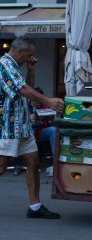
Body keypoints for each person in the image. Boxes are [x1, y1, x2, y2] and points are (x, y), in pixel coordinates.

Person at [0, 37, 65, 219]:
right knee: (2, 167)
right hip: (8, 126)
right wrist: (49, 102)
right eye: (29, 55)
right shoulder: (5, 64)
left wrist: (32, 70)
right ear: (20, 52)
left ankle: (35, 206)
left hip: (22, 125)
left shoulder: (16, 67)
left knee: (34, 161)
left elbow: (26, 88)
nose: (31, 58)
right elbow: (22, 89)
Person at [30, 87, 56, 176]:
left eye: (38, 99)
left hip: (40, 131)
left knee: (53, 130)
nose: (36, 101)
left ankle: (56, 162)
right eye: (34, 99)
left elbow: (51, 122)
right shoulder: (25, 105)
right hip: (27, 131)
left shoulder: (45, 106)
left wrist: (51, 119)